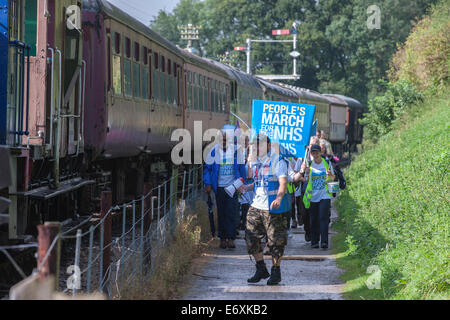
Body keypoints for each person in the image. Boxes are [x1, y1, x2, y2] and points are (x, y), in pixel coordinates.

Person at [241, 134, 291, 285]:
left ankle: (276, 270)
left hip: (272, 207)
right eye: (254, 146)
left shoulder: (278, 161)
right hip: (256, 205)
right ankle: (261, 268)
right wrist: (247, 187)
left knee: (276, 241)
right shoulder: (255, 162)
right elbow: (256, 181)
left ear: (268, 146)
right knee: (250, 237)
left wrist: (279, 198)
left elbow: (283, 183)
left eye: (259, 145)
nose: (256, 148)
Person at [204, 124, 246, 249]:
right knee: (221, 213)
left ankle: (231, 238)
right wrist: (208, 184)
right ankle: (223, 238)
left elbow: (241, 169)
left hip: (232, 187)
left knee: (232, 213)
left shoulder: (236, 151)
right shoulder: (213, 152)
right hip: (220, 187)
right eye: (222, 139)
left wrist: (241, 184)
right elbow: (207, 169)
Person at [303, 144, 336, 249]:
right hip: (313, 196)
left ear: (320, 153)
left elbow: (333, 178)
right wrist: (306, 173)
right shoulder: (309, 164)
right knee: (314, 219)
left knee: (323, 218)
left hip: (325, 195)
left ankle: (324, 242)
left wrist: (330, 174)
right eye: (313, 153)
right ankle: (314, 241)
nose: (315, 154)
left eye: (317, 152)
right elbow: (306, 180)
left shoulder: (326, 163)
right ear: (311, 154)